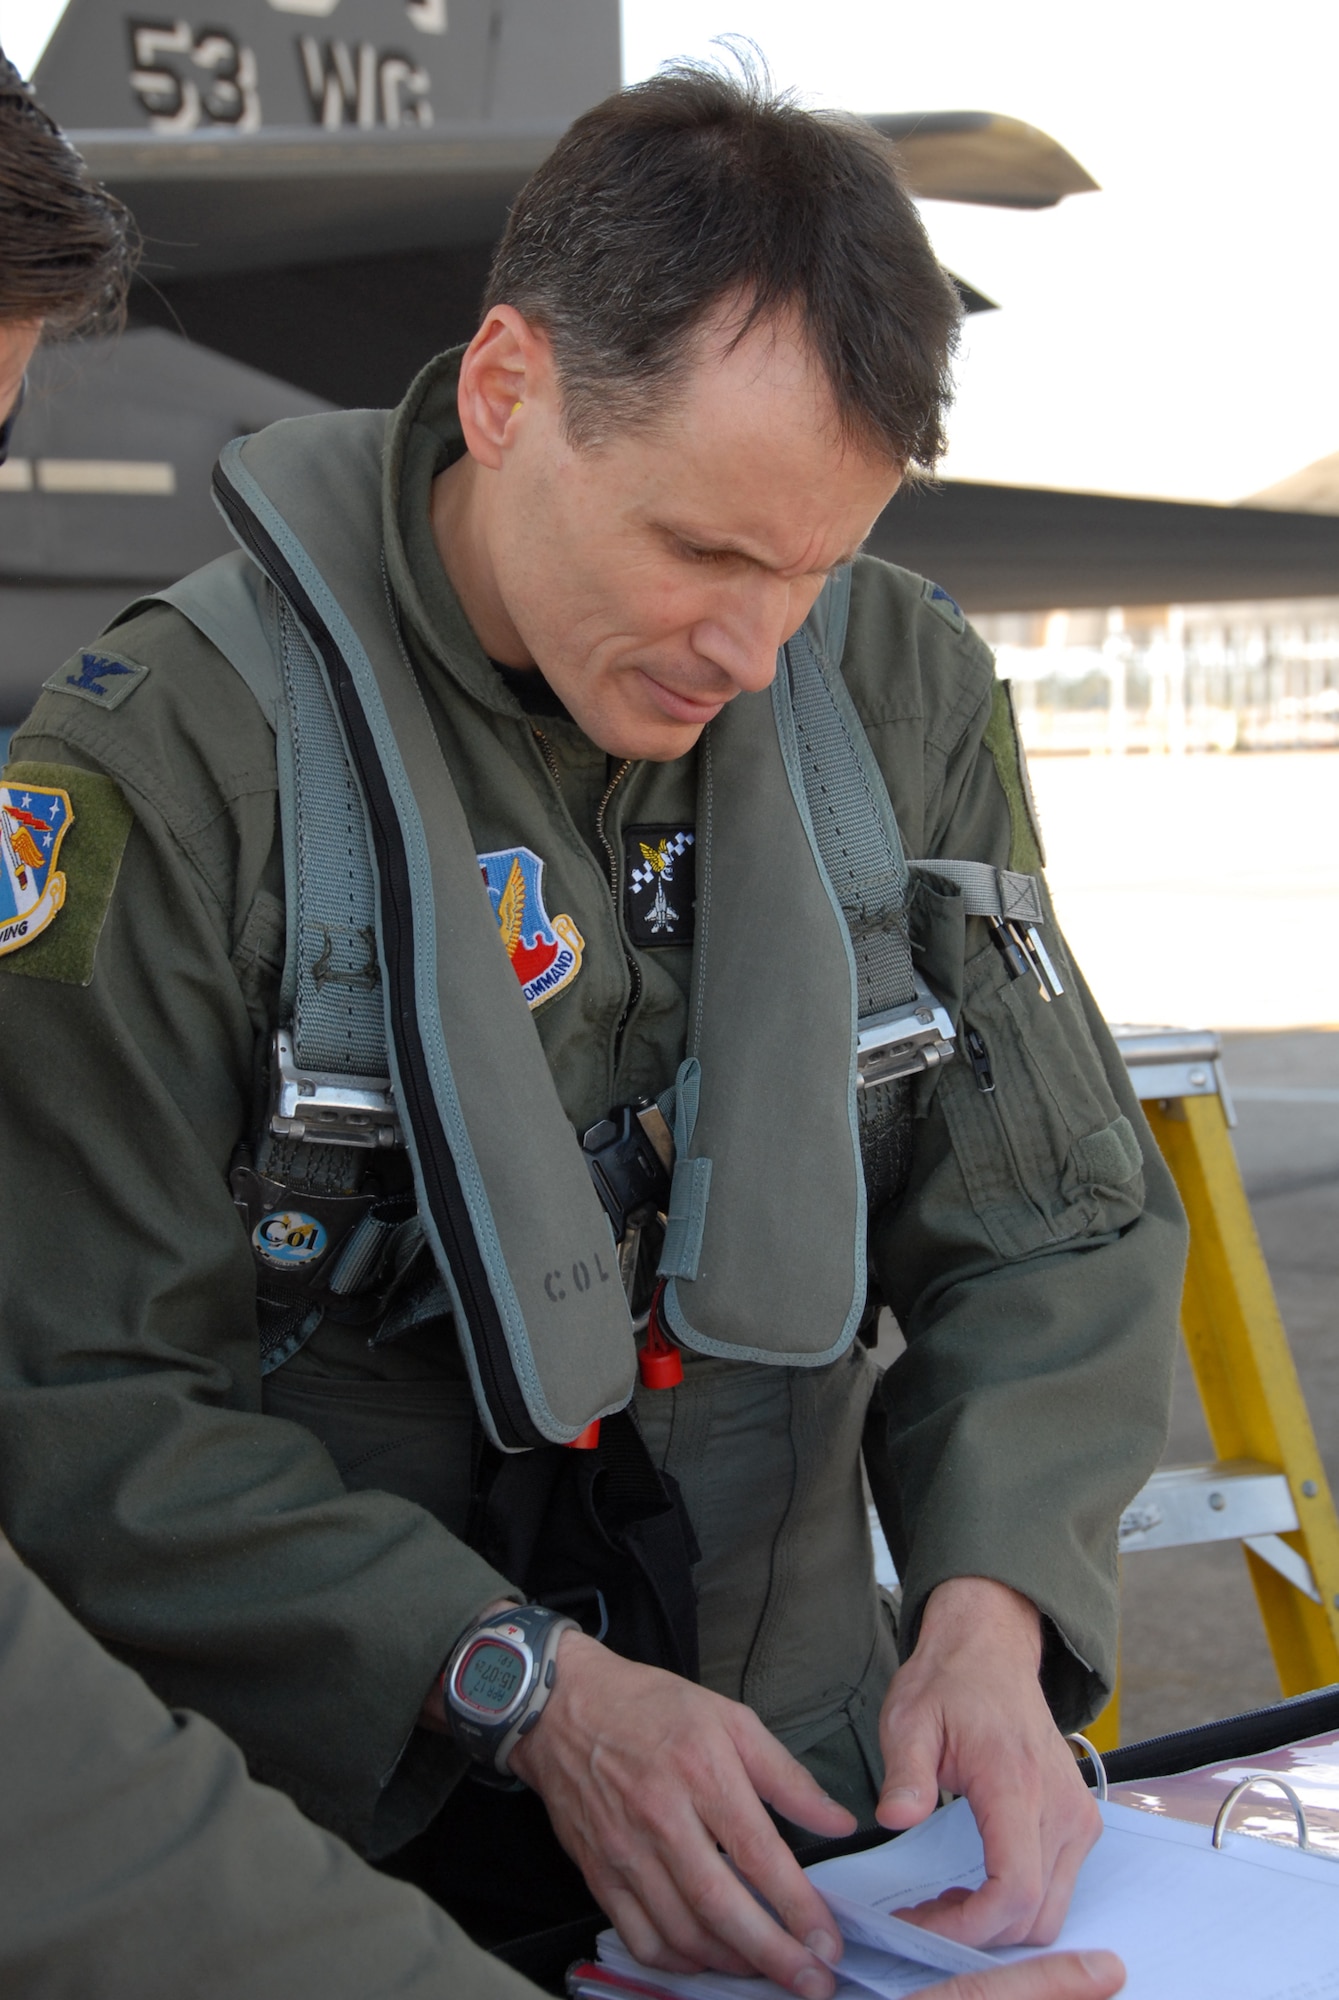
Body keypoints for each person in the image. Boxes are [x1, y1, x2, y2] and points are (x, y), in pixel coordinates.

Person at [0, 56, 1185, 2000]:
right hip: (320, 1864)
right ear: (503, 391)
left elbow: (1046, 1216)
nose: (755, 649)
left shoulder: (892, 696)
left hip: (804, 1843)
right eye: (704, 553)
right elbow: (79, 1403)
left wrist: (991, 1606)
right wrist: (521, 1688)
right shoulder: (172, 766)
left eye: (812, 565)